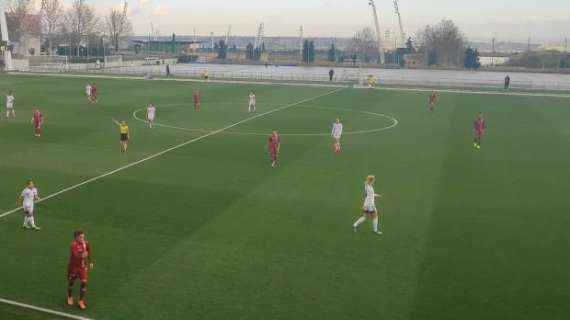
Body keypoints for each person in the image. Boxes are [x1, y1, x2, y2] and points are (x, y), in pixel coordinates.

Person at [67, 230, 93, 310]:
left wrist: (90, 261)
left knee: (84, 282)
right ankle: (70, 297)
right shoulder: (73, 245)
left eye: (83, 236)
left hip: (82, 267)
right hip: (74, 266)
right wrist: (82, 255)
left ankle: (81, 301)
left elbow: (89, 252)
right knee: (71, 281)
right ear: (76, 237)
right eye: (81, 237)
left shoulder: (86, 243)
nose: (83, 238)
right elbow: (75, 255)